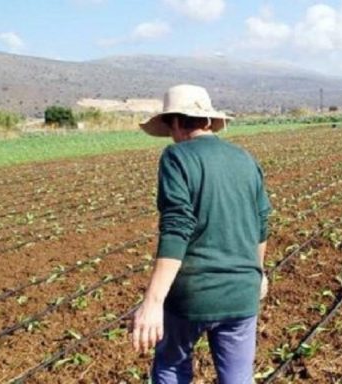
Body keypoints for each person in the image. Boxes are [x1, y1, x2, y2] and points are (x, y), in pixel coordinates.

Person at [131, 84, 272, 384]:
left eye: (170, 126)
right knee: (237, 378)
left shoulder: (176, 157)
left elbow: (177, 226)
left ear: (177, 122)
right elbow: (261, 224)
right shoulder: (246, 159)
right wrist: (258, 273)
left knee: (171, 367)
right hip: (242, 292)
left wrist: (153, 302)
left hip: (192, 294)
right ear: (208, 121)